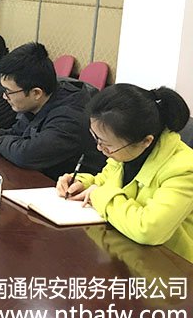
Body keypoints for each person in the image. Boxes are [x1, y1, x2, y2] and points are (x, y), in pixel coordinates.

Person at [57, 84, 193, 263]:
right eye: (95, 138)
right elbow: (105, 180)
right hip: (124, 252)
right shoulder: (127, 151)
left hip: (170, 265)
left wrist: (98, 194)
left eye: (107, 144)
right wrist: (82, 183)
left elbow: (149, 230)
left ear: (146, 141)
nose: (99, 148)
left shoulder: (184, 169)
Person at [0, 42, 105, 179]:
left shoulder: (70, 116)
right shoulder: (40, 101)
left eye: (8, 91)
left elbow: (27, 154)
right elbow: (18, 134)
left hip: (71, 187)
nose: (4, 96)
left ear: (36, 93)